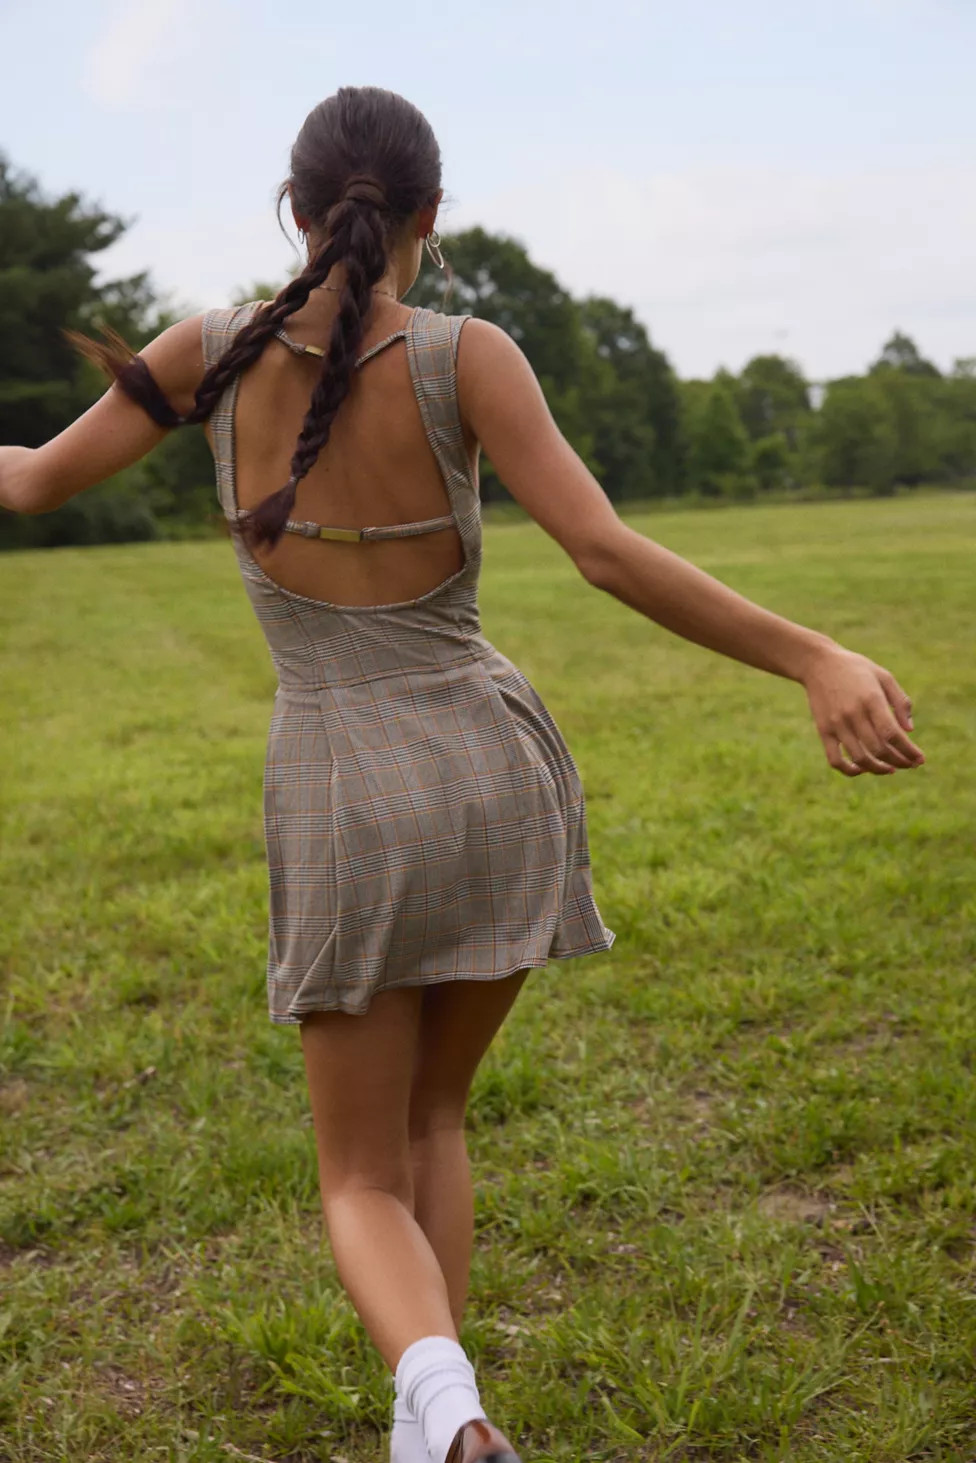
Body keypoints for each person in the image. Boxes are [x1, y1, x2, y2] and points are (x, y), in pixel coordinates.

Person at [0, 85, 924, 1463]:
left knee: (358, 1177)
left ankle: (447, 1407)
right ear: (432, 214)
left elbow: (26, 482)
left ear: (293, 209)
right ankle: (437, 1420)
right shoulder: (471, 355)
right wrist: (813, 656)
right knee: (436, 1114)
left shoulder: (209, 352)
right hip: (495, 768)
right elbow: (607, 552)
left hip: (341, 789)